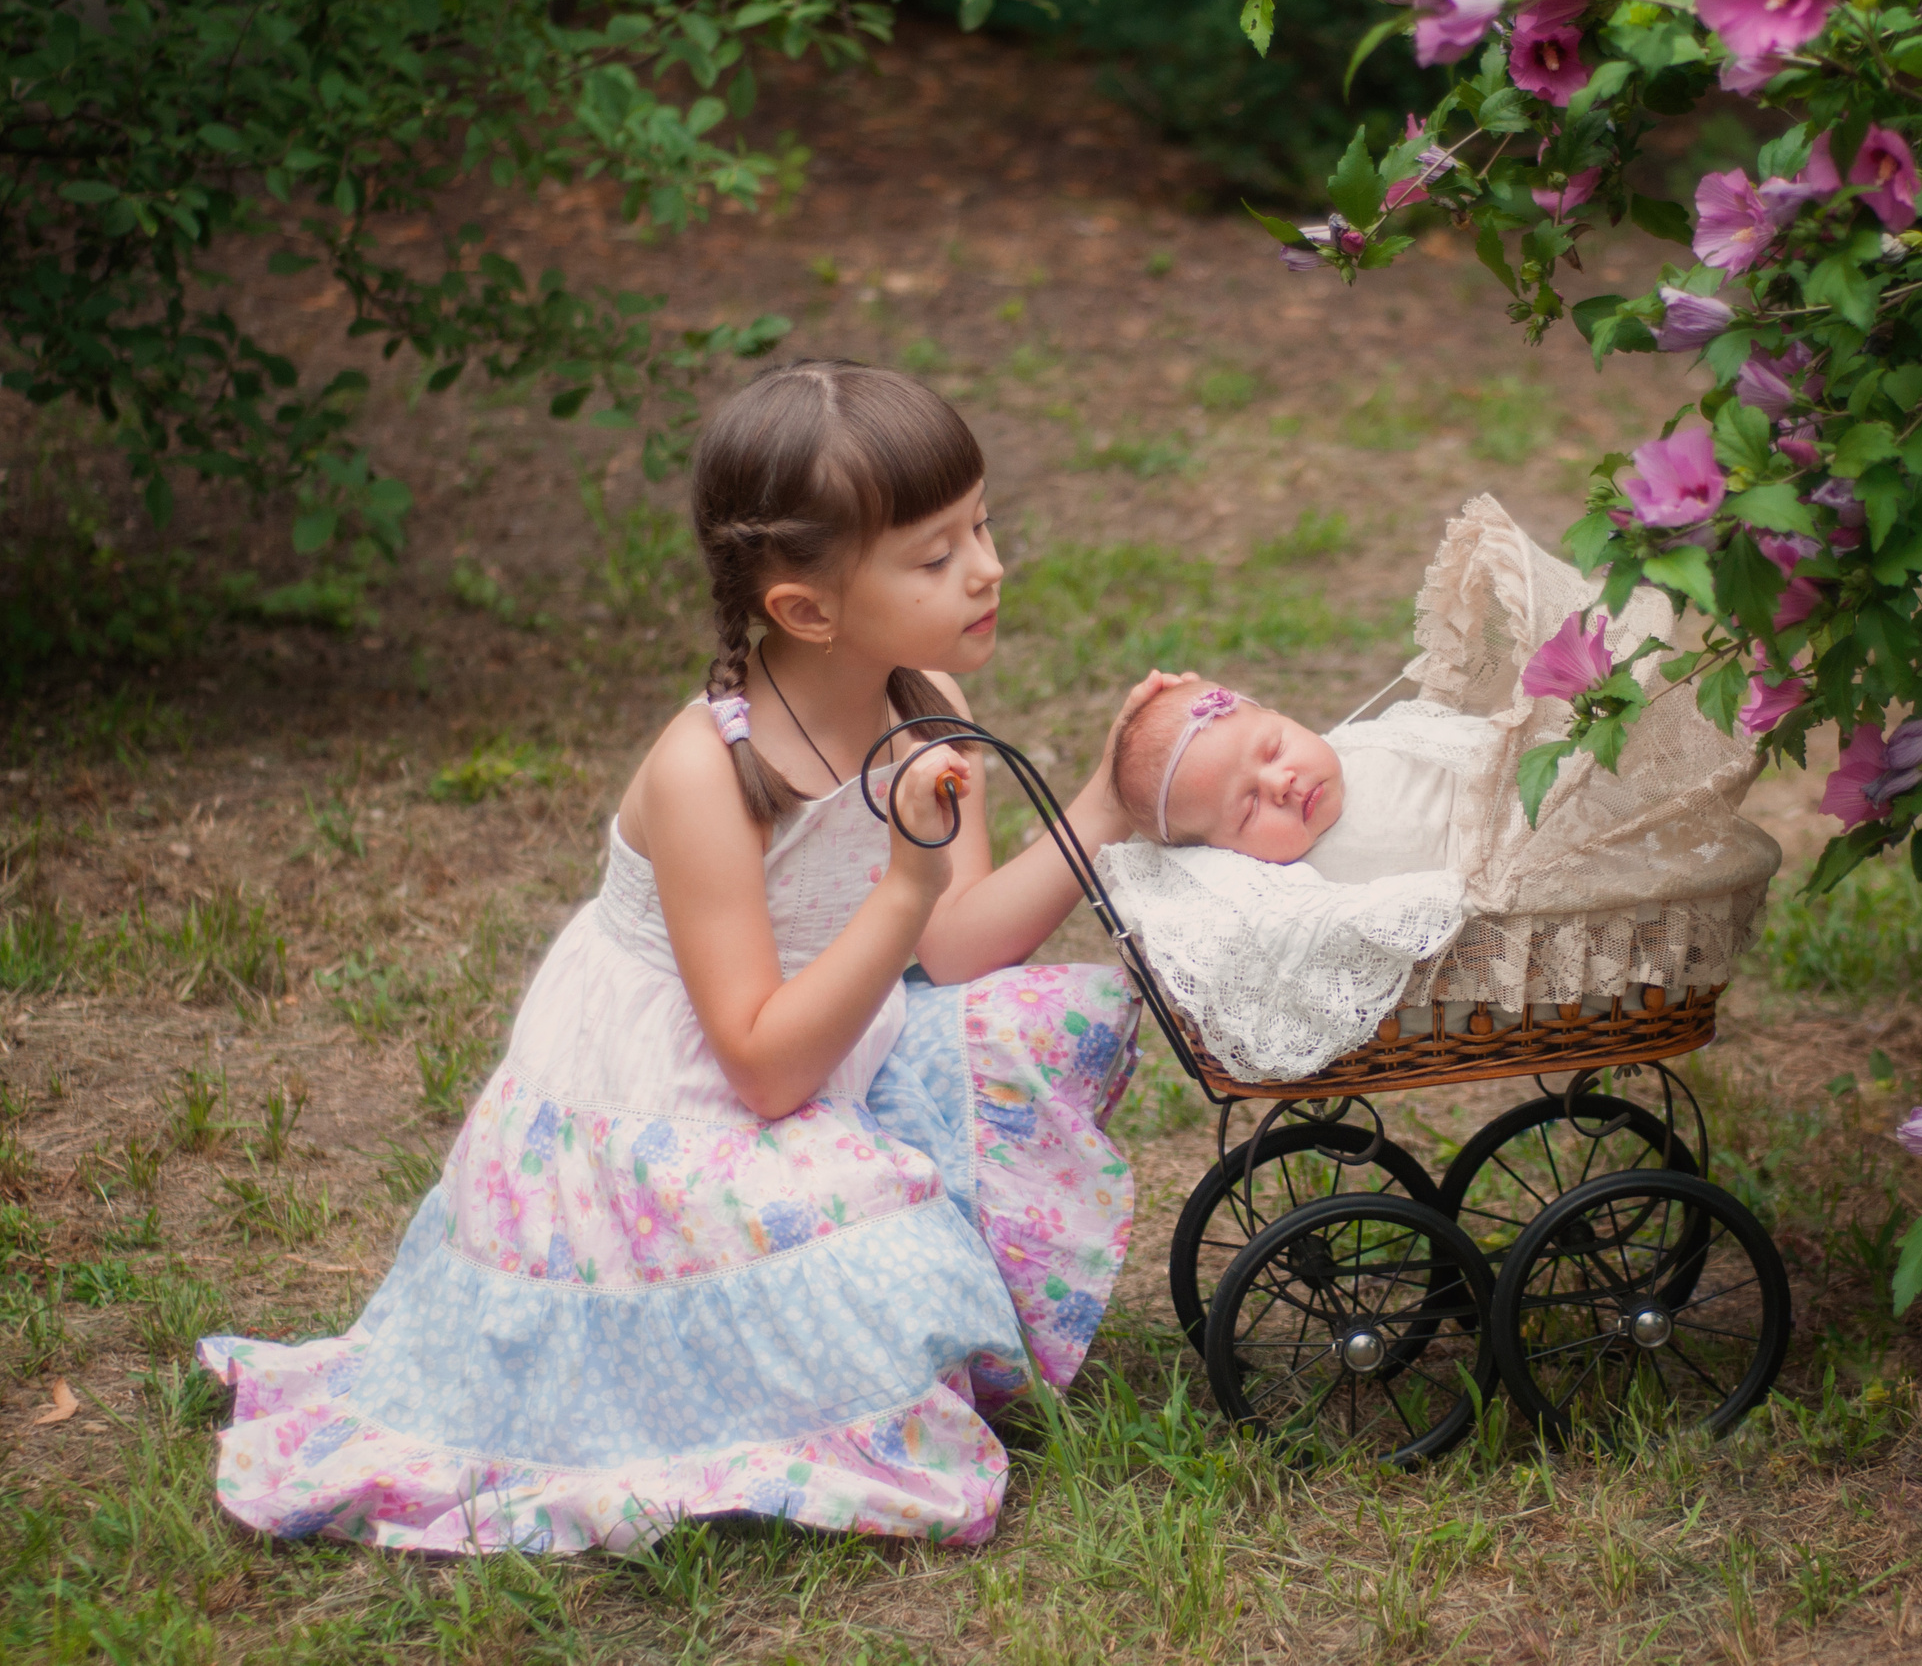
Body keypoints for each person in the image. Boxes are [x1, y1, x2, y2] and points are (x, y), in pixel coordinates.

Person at [198, 360, 1188, 1553]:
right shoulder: (708, 770)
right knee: (874, 1262)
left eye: (981, 526)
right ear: (804, 610)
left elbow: (958, 949)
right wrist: (906, 879)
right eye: (934, 556)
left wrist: (1107, 804)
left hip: (818, 1031)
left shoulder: (917, 699)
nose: (985, 569)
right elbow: (762, 1070)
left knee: (1021, 1042)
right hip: (667, 1100)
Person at [1110, 677, 1497, 883]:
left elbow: (1476, 748)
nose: (1280, 783)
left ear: (1283, 718)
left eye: (1275, 749)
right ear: (1218, 854)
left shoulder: (1378, 744)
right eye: (1248, 808)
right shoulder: (1292, 892)